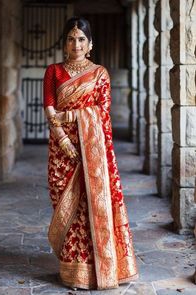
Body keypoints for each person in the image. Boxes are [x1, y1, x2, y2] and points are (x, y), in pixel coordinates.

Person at [43, 16, 138, 290]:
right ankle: (73, 271)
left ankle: (97, 270)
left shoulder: (99, 74)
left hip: (91, 151)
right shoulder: (53, 72)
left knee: (91, 206)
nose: (76, 44)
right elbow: (49, 109)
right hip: (62, 152)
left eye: (81, 39)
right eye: (71, 39)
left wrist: (71, 116)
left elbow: (102, 112)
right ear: (64, 44)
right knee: (65, 205)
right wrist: (63, 141)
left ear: (90, 44)